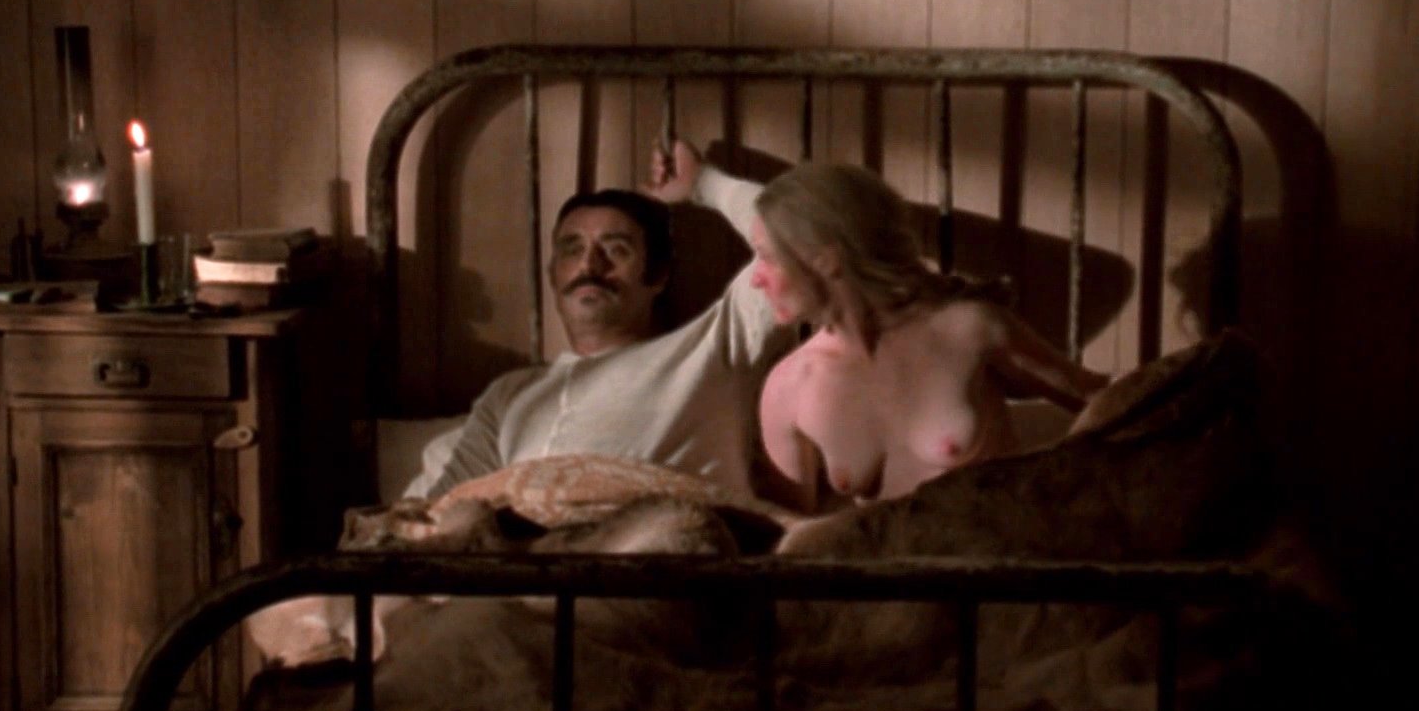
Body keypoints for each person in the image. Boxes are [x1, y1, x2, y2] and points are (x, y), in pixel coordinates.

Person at [411, 149, 795, 502]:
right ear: (552, 274)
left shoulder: (713, 348)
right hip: (529, 552)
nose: (589, 265)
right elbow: (443, 508)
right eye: (572, 249)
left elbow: (797, 240)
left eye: (615, 249)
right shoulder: (511, 394)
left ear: (658, 275)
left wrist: (703, 183)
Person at [743, 161, 1110, 507]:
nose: (755, 279)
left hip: (998, 546)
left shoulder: (968, 330)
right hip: (887, 554)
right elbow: (787, 529)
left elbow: (1101, 396)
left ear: (826, 258)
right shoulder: (787, 388)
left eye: (766, 256)